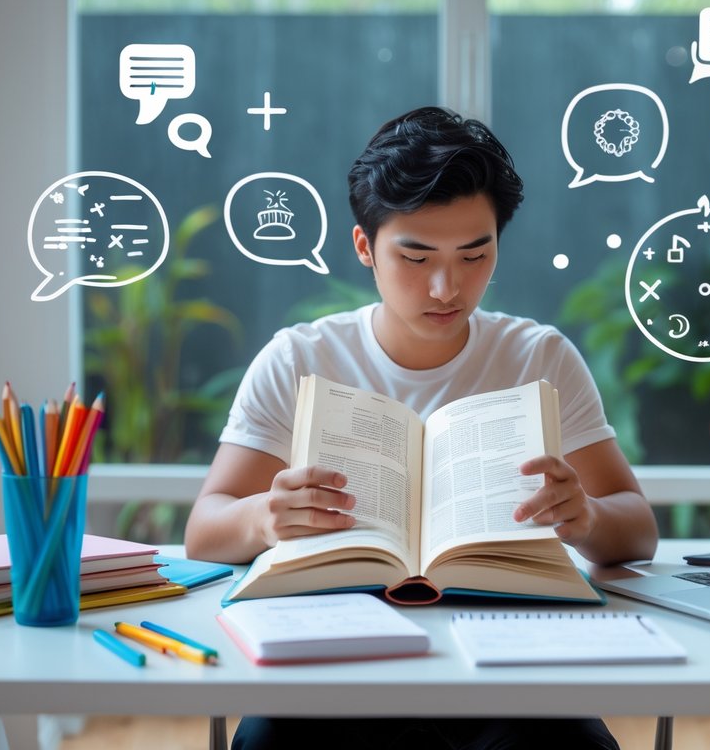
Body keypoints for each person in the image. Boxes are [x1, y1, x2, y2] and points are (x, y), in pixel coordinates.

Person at [185, 106, 659, 750]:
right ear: (364, 248)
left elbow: (636, 529)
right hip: (334, 662)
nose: (447, 287)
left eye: (474, 254)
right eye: (416, 257)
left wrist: (588, 519)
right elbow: (204, 531)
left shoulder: (538, 358)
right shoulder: (301, 359)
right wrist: (266, 517)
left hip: (507, 663)